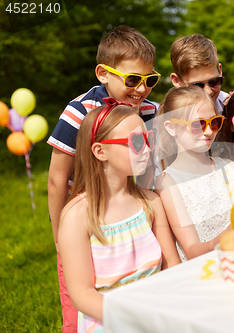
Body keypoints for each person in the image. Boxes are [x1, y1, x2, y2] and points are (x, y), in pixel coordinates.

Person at [46, 25, 160, 332]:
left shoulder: (148, 109)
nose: (141, 89)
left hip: (128, 211)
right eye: (133, 79)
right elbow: (58, 179)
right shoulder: (80, 110)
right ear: (102, 73)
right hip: (86, 219)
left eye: (150, 80)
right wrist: (60, 236)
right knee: (78, 303)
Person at [58, 98, 180, 333]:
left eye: (148, 139)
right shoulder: (77, 216)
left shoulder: (151, 202)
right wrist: (135, 319)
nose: (146, 149)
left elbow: (171, 264)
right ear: (100, 151)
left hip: (158, 312)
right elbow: (82, 295)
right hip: (110, 321)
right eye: (136, 142)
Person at [154, 86, 234, 261]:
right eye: (198, 124)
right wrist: (226, 236)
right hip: (206, 270)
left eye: (214, 122)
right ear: (172, 128)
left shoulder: (229, 166)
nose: (209, 131)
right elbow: (192, 250)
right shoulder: (168, 182)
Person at [169, 34, 228, 114]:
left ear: (220, 71)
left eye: (214, 81)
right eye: (197, 86)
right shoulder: (168, 115)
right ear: (177, 81)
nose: (208, 91)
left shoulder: (231, 107)